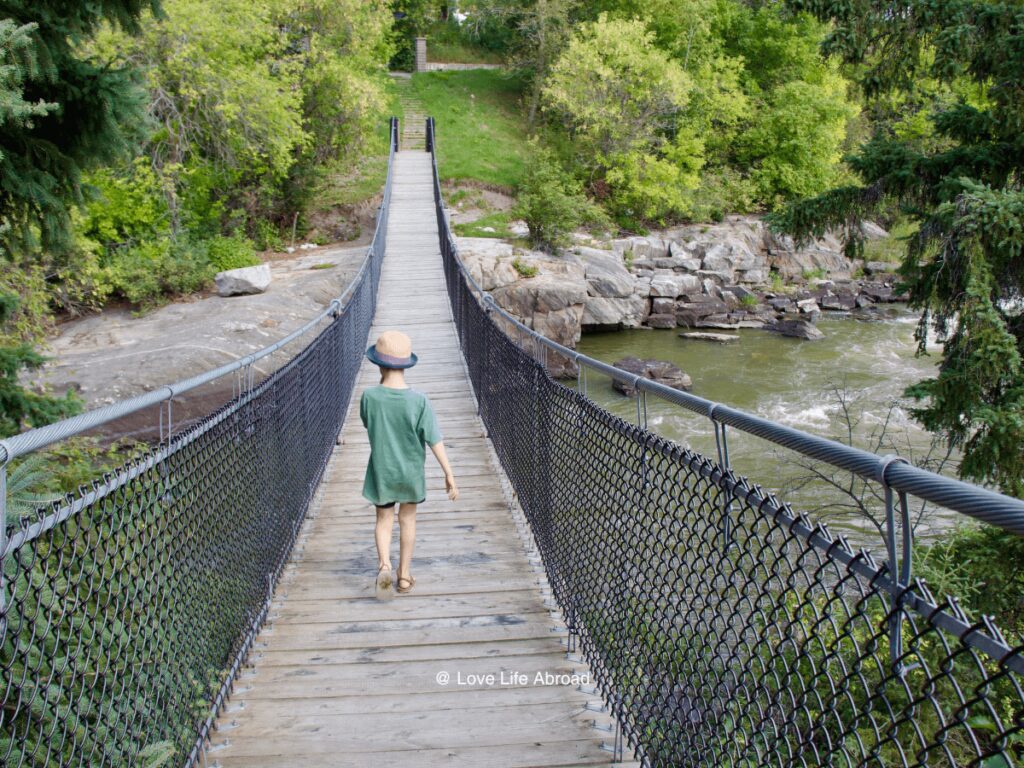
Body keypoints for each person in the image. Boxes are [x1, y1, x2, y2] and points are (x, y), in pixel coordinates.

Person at [360, 330, 458, 595]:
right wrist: (448, 473)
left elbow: (369, 425)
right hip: (411, 472)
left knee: (383, 519)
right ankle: (404, 576)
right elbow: (434, 439)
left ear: (378, 363)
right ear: (406, 364)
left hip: (382, 470)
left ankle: (384, 565)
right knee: (408, 520)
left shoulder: (369, 397)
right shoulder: (420, 401)